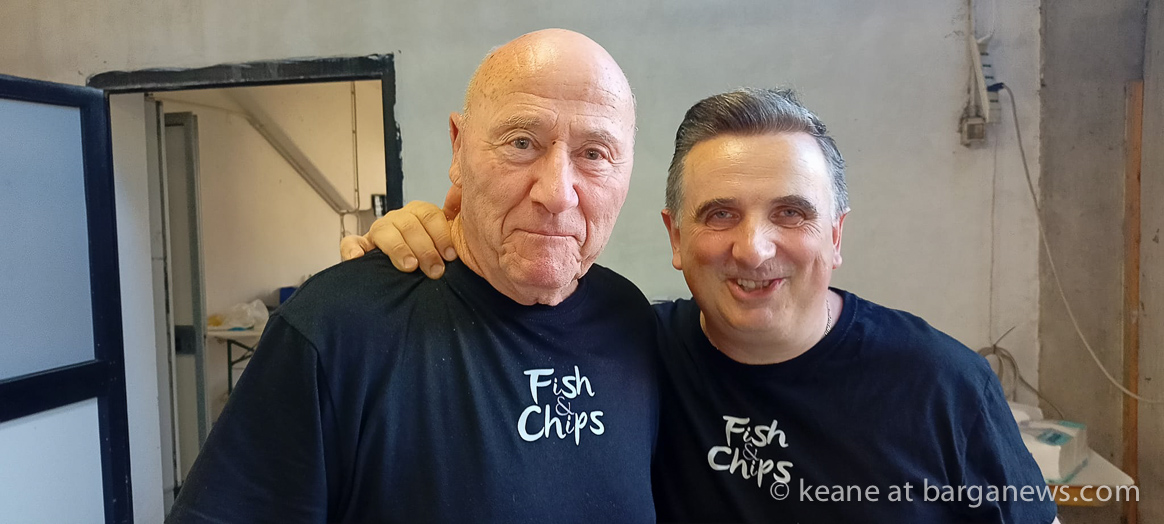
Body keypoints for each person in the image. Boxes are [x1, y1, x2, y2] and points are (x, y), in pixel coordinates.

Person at [345, 88, 1058, 522]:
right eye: (720, 215)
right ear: (675, 238)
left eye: (791, 213)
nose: (754, 248)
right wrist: (425, 244)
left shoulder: (945, 386)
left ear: (836, 236)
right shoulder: (622, 351)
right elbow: (489, 325)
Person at [168, 29, 659, 524]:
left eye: (594, 153)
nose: (556, 193)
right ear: (458, 148)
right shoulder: (336, 329)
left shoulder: (633, 324)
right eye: (522, 142)